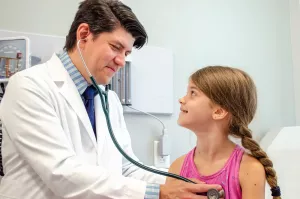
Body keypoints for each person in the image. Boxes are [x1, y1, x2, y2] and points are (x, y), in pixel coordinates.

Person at [0, 0, 222, 198]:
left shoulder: (109, 100)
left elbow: (127, 169)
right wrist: (159, 193)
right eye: (116, 47)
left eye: (126, 53)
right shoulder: (29, 86)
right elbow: (61, 173)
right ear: (84, 34)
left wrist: (186, 183)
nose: (122, 61)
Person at [166, 66, 282, 199]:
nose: (181, 99)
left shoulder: (249, 169)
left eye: (193, 93)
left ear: (219, 112)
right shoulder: (177, 167)